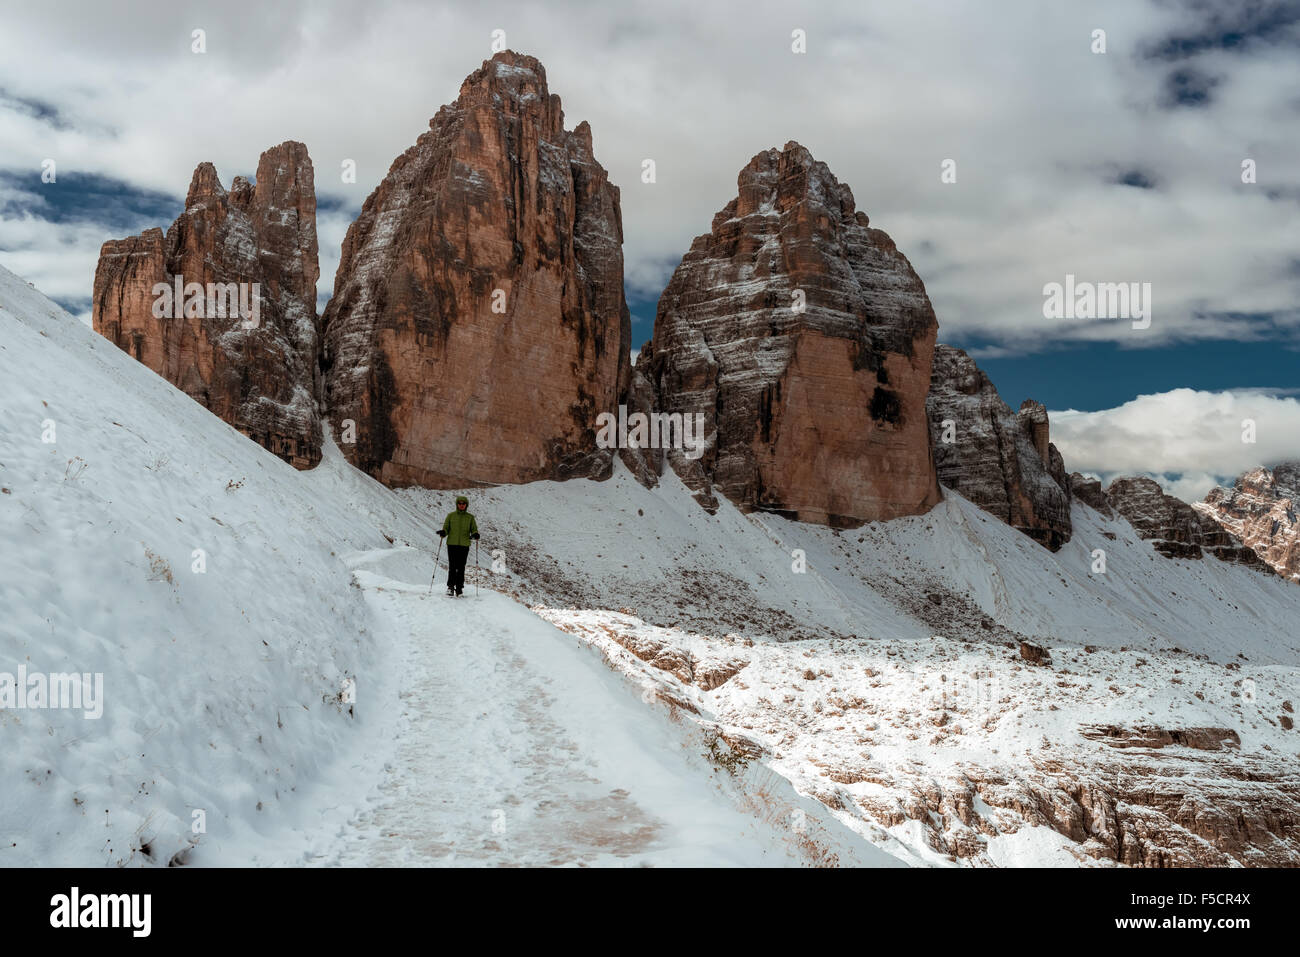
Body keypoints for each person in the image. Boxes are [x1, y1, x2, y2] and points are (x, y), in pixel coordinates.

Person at [436, 495, 480, 597]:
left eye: (463, 503)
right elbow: (446, 528)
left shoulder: (470, 518)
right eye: (459, 503)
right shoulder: (451, 516)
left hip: (464, 545)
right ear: (457, 504)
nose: (461, 505)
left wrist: (475, 534)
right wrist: (443, 532)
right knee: (452, 566)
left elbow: (474, 529)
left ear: (466, 505)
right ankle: (450, 587)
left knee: (461, 567)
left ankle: (459, 588)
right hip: (452, 544)